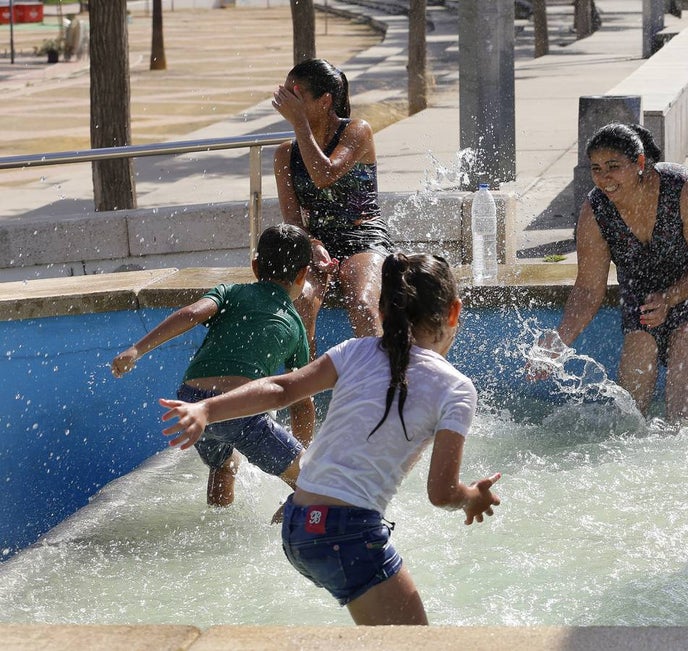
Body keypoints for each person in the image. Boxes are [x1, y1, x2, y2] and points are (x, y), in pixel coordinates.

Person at [157, 252, 502, 626]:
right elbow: (442, 493)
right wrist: (472, 498)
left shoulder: (354, 352)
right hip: (347, 534)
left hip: (299, 525)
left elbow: (279, 388)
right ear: (453, 313)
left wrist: (207, 409)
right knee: (413, 643)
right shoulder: (456, 388)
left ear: (382, 312)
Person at [539, 123, 688, 420]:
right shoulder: (595, 212)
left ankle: (678, 435)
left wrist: (670, 298)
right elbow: (587, 288)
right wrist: (560, 340)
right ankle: (632, 436)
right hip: (644, 273)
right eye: (596, 168)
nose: (604, 178)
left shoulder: (683, 189)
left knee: (685, 342)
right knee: (640, 346)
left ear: (640, 163)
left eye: (613, 166)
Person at [110, 224, 316, 508]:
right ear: (303, 274)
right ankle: (296, 528)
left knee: (224, 464)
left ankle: (218, 519)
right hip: (238, 410)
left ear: (255, 266)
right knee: (312, 483)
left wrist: (136, 350)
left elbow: (191, 314)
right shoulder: (294, 325)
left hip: (191, 403)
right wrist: (299, 454)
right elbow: (302, 403)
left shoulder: (230, 292)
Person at [273, 58, 393, 355]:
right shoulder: (284, 154)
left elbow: (324, 175)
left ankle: (380, 391)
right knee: (299, 305)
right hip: (316, 242)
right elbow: (292, 219)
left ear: (325, 101)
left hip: (362, 236)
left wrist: (300, 123)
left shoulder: (357, 131)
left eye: (295, 95)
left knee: (363, 303)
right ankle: (303, 397)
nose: (286, 102)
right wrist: (311, 243)